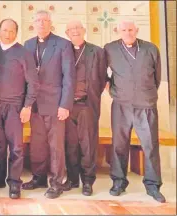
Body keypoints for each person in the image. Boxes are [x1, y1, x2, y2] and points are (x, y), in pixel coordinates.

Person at [104, 20, 165, 203]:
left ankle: (153, 186)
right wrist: (111, 89)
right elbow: (102, 73)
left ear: (136, 30)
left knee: (150, 146)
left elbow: (157, 77)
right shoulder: (110, 49)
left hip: (145, 105)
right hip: (121, 105)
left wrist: (145, 93)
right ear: (118, 31)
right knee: (119, 145)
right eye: (124, 29)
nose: (128, 32)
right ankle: (119, 182)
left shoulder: (151, 49)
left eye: (131, 29)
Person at [0, 18, 39, 199]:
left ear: (16, 32)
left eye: (11, 31)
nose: (8, 34)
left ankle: (14, 183)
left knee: (16, 147)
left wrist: (27, 106)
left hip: (15, 106)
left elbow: (33, 82)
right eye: (5, 30)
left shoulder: (24, 53)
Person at [21, 10, 75, 199]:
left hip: (55, 104)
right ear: (33, 24)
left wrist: (65, 105)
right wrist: (25, 104)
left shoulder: (63, 44)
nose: (41, 24)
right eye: (38, 20)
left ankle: (57, 182)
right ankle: (39, 178)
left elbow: (69, 77)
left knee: (56, 146)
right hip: (34, 104)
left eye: (45, 21)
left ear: (50, 24)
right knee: (38, 145)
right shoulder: (27, 45)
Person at [63, 20, 108, 196]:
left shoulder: (97, 51)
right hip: (67, 106)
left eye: (78, 28)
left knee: (88, 144)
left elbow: (103, 77)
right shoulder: (63, 49)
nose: (75, 31)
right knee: (71, 144)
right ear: (67, 33)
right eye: (71, 28)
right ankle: (73, 180)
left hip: (87, 104)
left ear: (84, 30)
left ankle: (88, 181)